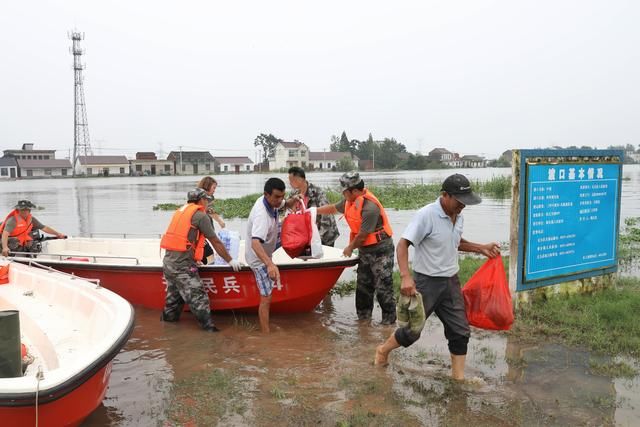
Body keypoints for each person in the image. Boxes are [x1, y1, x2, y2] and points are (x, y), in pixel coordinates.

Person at [374, 174, 500, 380]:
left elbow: (455, 241)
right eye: (460, 201)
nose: (463, 206)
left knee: (460, 331)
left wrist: (480, 248)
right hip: (426, 282)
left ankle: (458, 378)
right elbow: (403, 244)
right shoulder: (426, 215)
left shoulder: (458, 215)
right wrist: (406, 277)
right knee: (411, 332)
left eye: (466, 202)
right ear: (445, 195)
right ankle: (383, 350)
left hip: (451, 282)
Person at [316, 172, 397, 324]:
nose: (342, 193)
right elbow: (333, 208)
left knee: (383, 288)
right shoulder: (350, 201)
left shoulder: (370, 208)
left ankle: (389, 324)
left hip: (381, 251)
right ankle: (364, 323)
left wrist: (349, 248)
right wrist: (314, 211)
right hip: (365, 250)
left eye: (344, 191)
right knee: (363, 289)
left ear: (353, 191)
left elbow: (362, 235)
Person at [160, 188, 242, 332]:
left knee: (173, 303)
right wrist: (230, 260)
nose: (207, 203)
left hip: (169, 264)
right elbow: (215, 241)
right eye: (207, 200)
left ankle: (167, 331)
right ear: (201, 200)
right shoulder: (200, 216)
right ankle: (210, 332)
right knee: (199, 299)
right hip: (183, 268)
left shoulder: (180, 212)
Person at [245, 177, 286, 333]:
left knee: (292, 227)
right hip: (257, 258)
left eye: (282, 196)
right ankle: (266, 333)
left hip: (268, 243)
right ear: (266, 194)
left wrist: (290, 202)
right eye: (276, 197)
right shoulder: (262, 215)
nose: (279, 200)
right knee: (266, 297)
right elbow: (255, 243)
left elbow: (283, 203)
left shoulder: (270, 202)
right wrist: (269, 264)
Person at [286, 166, 339, 246]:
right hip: (307, 235)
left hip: (325, 234)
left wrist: (318, 240)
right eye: (289, 181)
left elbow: (326, 217)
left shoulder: (317, 192)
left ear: (301, 179)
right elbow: (284, 207)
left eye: (292, 180)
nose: (290, 183)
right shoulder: (294, 193)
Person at [1, 200, 66, 257]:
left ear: (29, 210)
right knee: (14, 242)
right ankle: (8, 256)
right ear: (18, 210)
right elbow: (5, 234)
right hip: (7, 241)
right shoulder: (13, 220)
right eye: (22, 210)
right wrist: (5, 247)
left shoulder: (31, 219)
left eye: (26, 210)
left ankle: (30, 258)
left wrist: (58, 234)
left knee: (34, 245)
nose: (24, 212)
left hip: (22, 240)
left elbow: (44, 228)